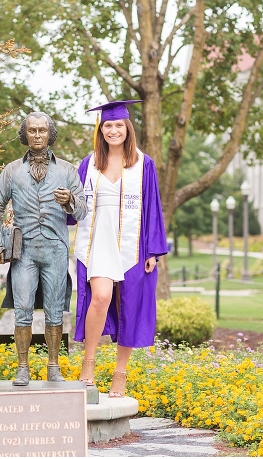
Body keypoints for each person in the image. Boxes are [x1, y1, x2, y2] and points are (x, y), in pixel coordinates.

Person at [69, 100, 168, 397]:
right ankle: (88, 363)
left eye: (118, 125)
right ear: (101, 129)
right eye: (108, 125)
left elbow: (152, 206)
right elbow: (75, 209)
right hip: (97, 239)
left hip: (132, 242)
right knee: (99, 299)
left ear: (128, 128)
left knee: (130, 305)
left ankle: (120, 373)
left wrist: (152, 250)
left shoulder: (143, 163)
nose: (113, 130)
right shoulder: (88, 163)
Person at [0, 111, 87, 386]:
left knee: (55, 311)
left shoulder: (67, 170)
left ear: (50, 134)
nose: (38, 135)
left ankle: (53, 367)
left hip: (55, 249)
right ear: (25, 134)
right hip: (25, 250)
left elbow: (82, 211)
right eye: (33, 130)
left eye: (43, 130)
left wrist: (69, 202)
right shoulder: (12, 170)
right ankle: (22, 367)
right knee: (23, 309)